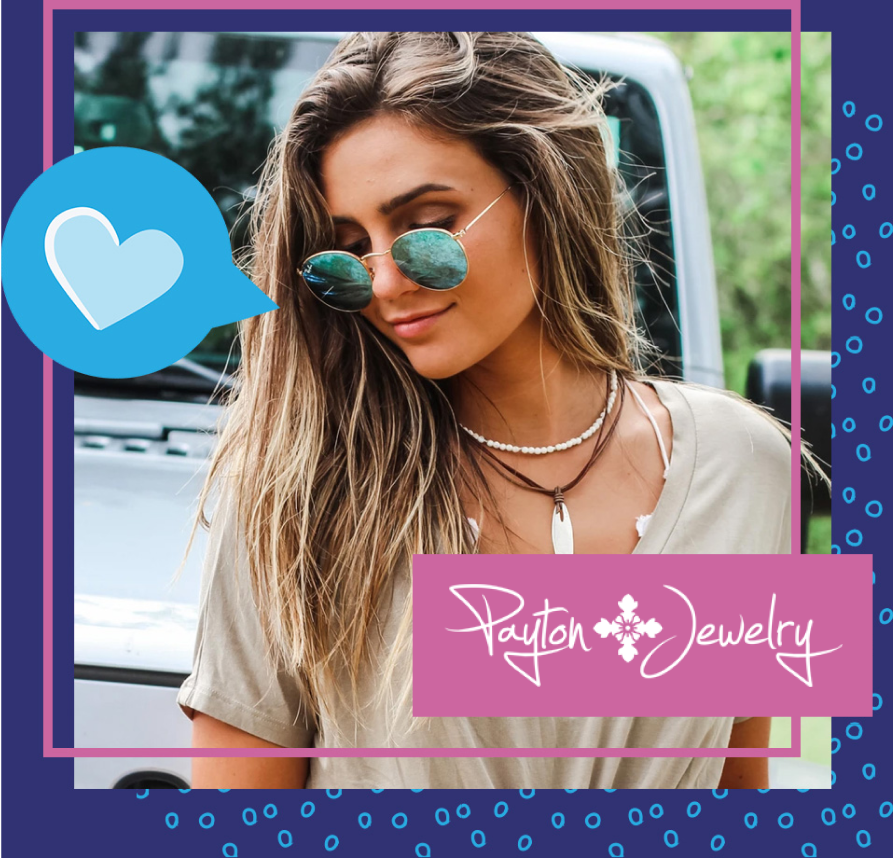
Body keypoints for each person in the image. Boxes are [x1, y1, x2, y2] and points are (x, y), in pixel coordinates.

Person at [175, 31, 813, 789]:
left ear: (549, 191)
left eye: (424, 228)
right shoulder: (299, 486)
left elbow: (740, 796)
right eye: (347, 253)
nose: (383, 285)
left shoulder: (748, 467)